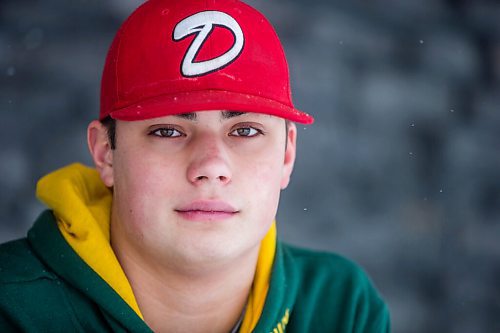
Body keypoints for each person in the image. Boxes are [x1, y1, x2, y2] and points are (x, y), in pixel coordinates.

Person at [0, 0, 390, 332]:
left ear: (287, 154)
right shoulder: (11, 305)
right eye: (168, 131)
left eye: (246, 130)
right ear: (106, 154)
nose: (211, 166)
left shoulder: (341, 309)